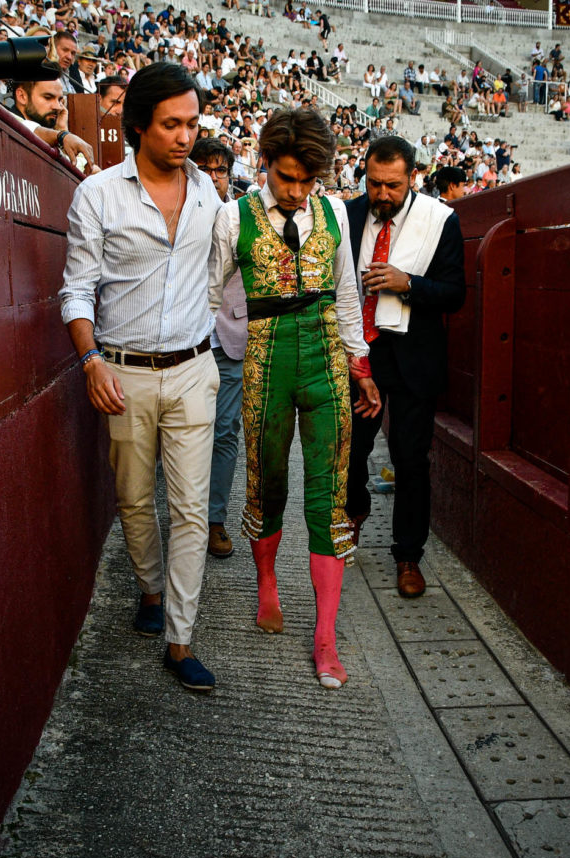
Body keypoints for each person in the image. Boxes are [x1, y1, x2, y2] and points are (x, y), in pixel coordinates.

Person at [58, 63, 222, 691]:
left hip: (193, 370)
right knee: (133, 498)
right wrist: (91, 359)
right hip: (121, 372)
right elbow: (76, 291)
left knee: (187, 507)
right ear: (137, 128)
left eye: (192, 123)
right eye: (172, 125)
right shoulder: (98, 195)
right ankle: (150, 589)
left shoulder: (210, 195)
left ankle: (180, 640)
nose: (185, 137)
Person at [208, 107, 381, 689]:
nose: (298, 191)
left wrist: (360, 366)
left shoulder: (332, 210)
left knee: (329, 494)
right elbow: (208, 296)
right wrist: (207, 367)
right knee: (267, 480)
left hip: (326, 357)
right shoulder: (233, 219)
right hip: (265, 359)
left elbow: (347, 292)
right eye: (287, 178)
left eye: (308, 180)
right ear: (265, 165)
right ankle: (266, 587)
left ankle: (326, 638)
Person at [345, 137, 465, 598]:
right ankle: (355, 510)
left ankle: (408, 555)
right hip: (363, 354)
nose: (382, 194)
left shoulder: (440, 219)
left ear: (412, 177)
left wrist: (406, 283)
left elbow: (455, 293)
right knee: (351, 449)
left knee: (410, 460)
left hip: (415, 356)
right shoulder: (349, 214)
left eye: (392, 185)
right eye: (374, 183)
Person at [190, 138, 248, 561]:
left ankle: (215, 520)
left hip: (230, 337)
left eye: (220, 170)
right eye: (205, 169)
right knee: (186, 432)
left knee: (225, 429)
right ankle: (187, 520)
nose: (213, 177)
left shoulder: (246, 215)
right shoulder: (179, 207)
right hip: (184, 337)